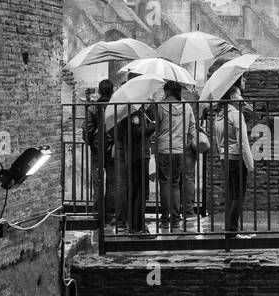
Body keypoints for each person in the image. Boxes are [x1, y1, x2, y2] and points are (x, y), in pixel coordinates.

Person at [203, 78, 253, 237]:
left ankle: (230, 231)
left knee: (232, 194)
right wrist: (250, 163)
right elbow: (243, 142)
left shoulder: (219, 115)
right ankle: (232, 231)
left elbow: (218, 140)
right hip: (237, 158)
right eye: (239, 94)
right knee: (238, 195)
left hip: (225, 157)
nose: (242, 97)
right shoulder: (236, 115)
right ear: (232, 97)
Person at [152, 81, 197, 229]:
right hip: (179, 150)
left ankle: (165, 220)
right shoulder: (187, 106)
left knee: (164, 184)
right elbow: (192, 129)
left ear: (167, 92)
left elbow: (155, 127)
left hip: (164, 149)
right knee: (175, 184)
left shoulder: (160, 106)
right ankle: (176, 219)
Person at [113, 100, 156, 233]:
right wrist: (152, 126)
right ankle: (137, 226)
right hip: (137, 155)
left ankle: (134, 224)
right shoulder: (133, 114)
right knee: (139, 192)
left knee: (136, 191)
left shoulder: (134, 112)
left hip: (135, 155)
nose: (148, 100)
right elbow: (137, 132)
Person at [83, 80, 115, 222]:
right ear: (112, 90)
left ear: (100, 91)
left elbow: (87, 128)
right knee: (112, 181)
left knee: (97, 180)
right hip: (114, 147)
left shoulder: (93, 107)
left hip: (98, 147)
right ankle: (111, 213)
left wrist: (90, 142)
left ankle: (98, 212)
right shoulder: (116, 106)